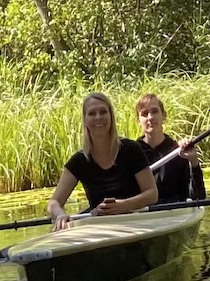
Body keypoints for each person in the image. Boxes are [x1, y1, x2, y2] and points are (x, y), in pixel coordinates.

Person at [47, 92, 158, 230]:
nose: (98, 117)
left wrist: (124, 205)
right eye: (92, 113)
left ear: (111, 116)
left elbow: (152, 194)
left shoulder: (131, 149)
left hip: (137, 224)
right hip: (100, 229)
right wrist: (60, 215)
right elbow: (53, 203)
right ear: (85, 120)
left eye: (103, 112)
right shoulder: (79, 161)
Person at [134, 93, 206, 203]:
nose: (150, 117)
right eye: (144, 114)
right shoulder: (131, 152)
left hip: (173, 214)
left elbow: (198, 197)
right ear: (138, 120)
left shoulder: (178, 151)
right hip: (143, 214)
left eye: (154, 111)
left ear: (164, 115)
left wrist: (194, 162)